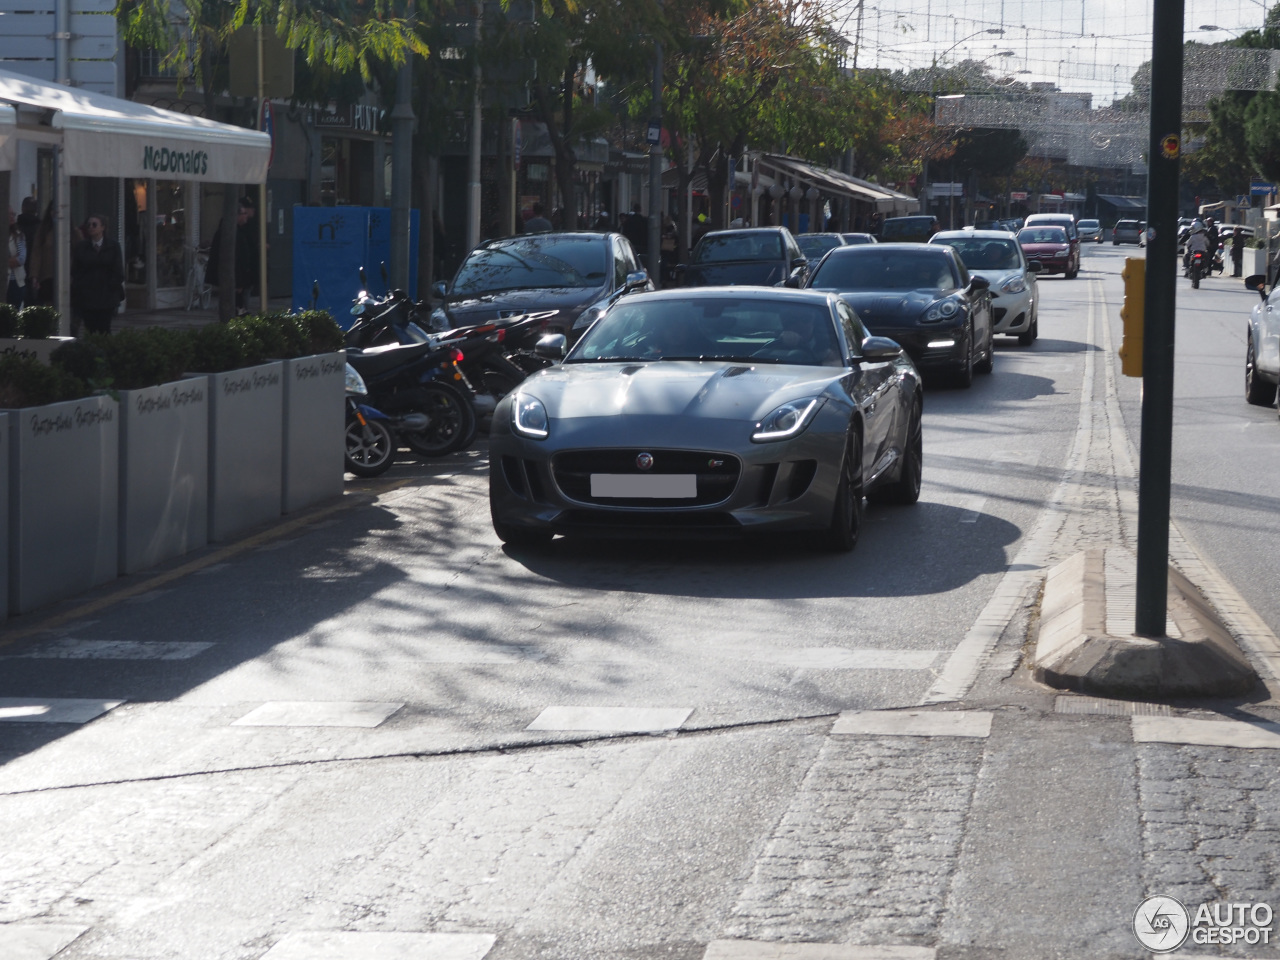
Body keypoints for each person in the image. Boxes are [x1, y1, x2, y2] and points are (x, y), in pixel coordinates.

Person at [70, 213, 125, 334]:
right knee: (90, 327)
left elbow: (118, 270)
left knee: (104, 327)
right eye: (88, 225)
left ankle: (104, 350)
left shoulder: (113, 246)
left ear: (103, 227)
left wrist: (111, 286)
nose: (91, 227)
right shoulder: (82, 247)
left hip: (106, 295)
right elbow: (76, 270)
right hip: (88, 296)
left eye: (94, 225)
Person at [206, 197, 261, 314]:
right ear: (236, 215)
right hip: (236, 279)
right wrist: (239, 282)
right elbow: (234, 258)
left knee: (240, 305)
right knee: (236, 306)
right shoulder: (229, 232)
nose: (246, 216)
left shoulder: (239, 230)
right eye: (244, 213)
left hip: (242, 277)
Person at [7, 207, 26, 308]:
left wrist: (6, 261)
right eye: (9, 214)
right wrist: (12, 259)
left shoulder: (19, 236)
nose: (12, 217)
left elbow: (21, 259)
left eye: (13, 214)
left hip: (16, 282)